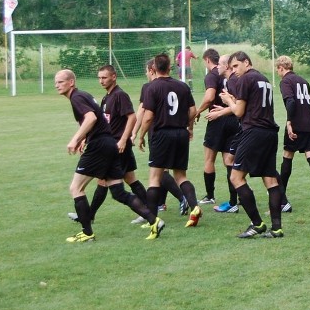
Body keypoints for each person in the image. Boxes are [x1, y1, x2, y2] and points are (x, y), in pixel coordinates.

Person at [54, 69, 160, 242]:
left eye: (60, 82)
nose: (56, 85)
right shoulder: (85, 95)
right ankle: (154, 220)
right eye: (56, 82)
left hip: (100, 146)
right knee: (118, 191)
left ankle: (87, 233)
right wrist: (84, 138)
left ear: (71, 82)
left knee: (76, 188)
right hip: (108, 143)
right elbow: (96, 119)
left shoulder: (77, 97)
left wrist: (75, 139)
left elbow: (91, 119)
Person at [219, 51, 284, 238]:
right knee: (270, 180)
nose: (234, 71)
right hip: (270, 132)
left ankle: (257, 224)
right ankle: (277, 228)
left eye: (236, 66)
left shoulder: (245, 79)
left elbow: (239, 112)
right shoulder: (263, 78)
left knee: (236, 178)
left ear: (246, 62)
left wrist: (228, 100)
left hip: (254, 131)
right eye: (231, 68)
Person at [136, 53, 202, 233]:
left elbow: (148, 117)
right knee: (181, 175)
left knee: (154, 178)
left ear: (154, 68)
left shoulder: (152, 87)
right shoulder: (182, 86)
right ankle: (194, 206)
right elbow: (193, 111)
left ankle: (152, 219)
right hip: (180, 133)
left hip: (162, 134)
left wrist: (141, 135)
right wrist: (187, 127)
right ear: (170, 67)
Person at [275, 55, 310, 205]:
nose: (278, 73)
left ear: (281, 68)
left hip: (297, 124)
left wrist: (289, 122)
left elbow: (291, 102)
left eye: (277, 69)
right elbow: (308, 103)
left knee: (287, 155)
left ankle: (280, 195)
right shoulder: (304, 81)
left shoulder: (285, 81)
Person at [196, 49, 239, 205]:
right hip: (233, 117)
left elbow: (209, 98)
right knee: (229, 160)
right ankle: (236, 196)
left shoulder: (212, 75)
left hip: (217, 119)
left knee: (209, 159)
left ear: (207, 60)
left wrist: (198, 111)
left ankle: (210, 195)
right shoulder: (231, 75)